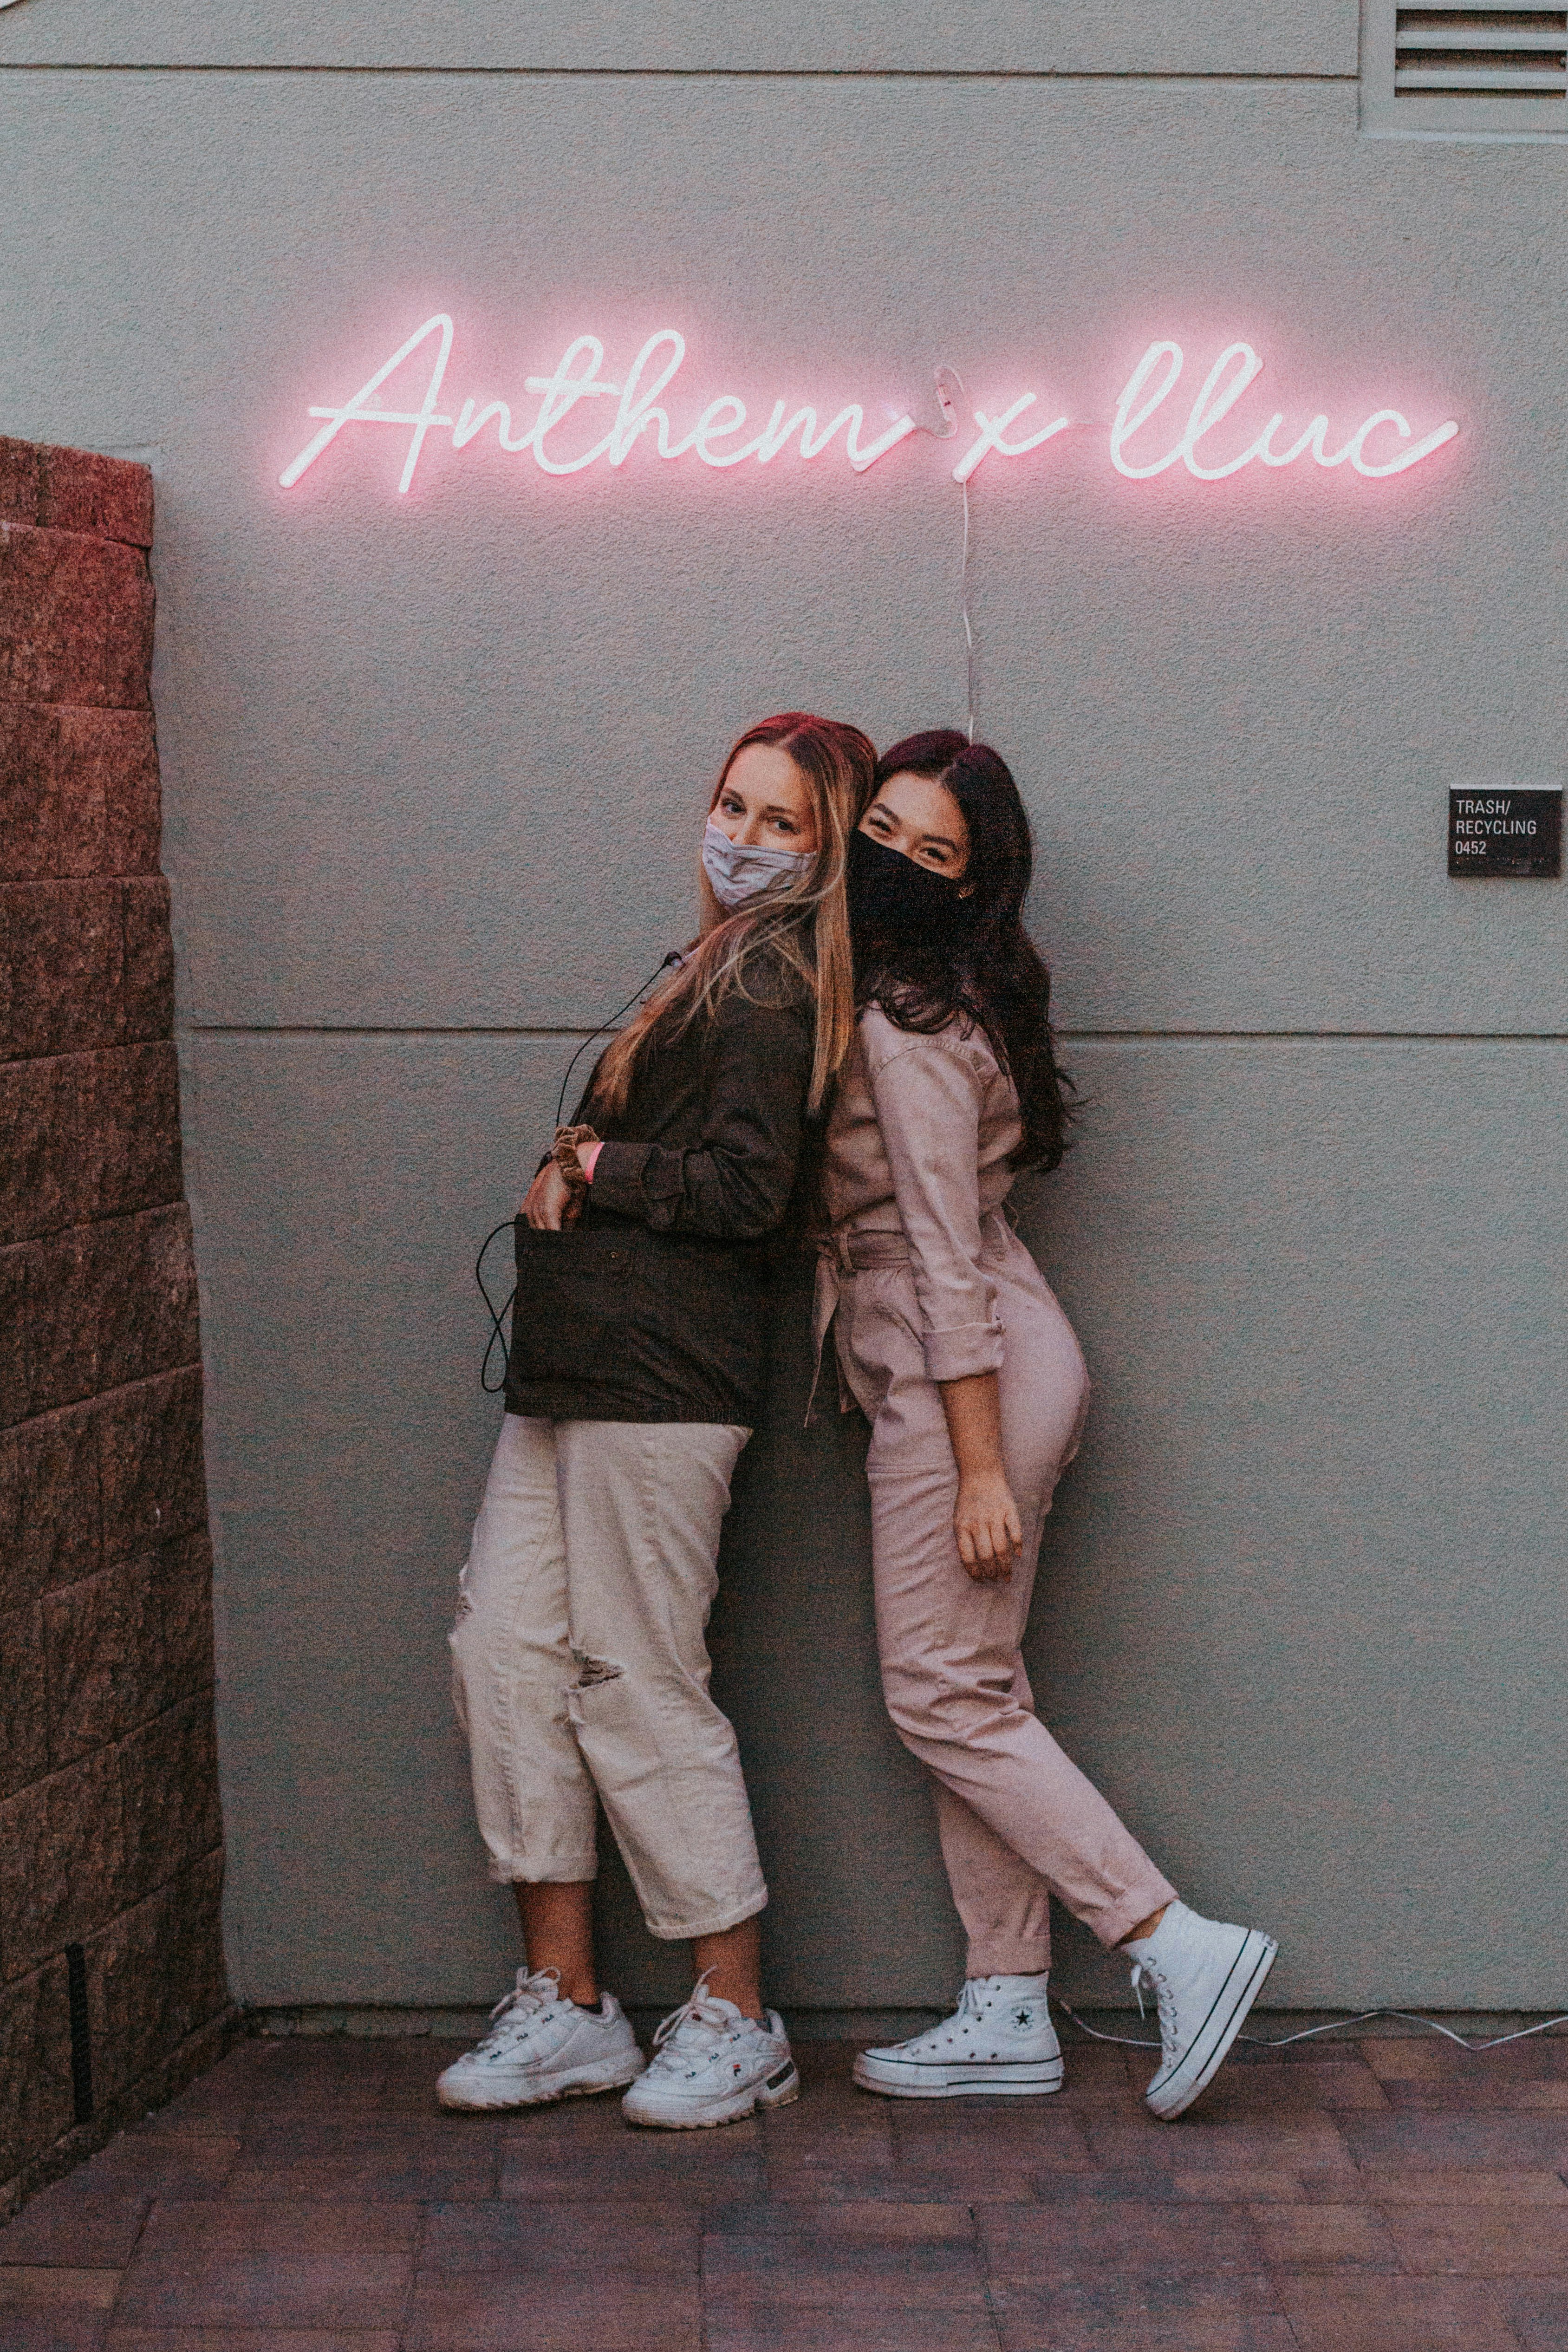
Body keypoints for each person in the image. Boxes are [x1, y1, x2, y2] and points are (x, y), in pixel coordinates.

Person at [818, 729, 1277, 2121]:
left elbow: (945, 1261)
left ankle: (1167, 1938)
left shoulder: (905, 1025)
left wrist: (971, 1465)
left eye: (933, 851)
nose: (892, 860)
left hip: (974, 1369)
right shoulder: (926, 1002)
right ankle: (1006, 2004)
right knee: (976, 1691)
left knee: (936, 1693)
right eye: (882, 829)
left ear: (974, 886)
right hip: (983, 1358)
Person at [443, 711, 875, 2128]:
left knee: (635, 1675)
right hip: (579, 1371)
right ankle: (566, 2003)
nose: (743, 840)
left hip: (664, 1380)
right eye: (731, 807)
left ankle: (736, 2012)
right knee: (505, 1653)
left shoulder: (767, 982)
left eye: (781, 823)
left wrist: (595, 1159)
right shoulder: (708, 964)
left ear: (823, 852)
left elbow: (748, 1192)